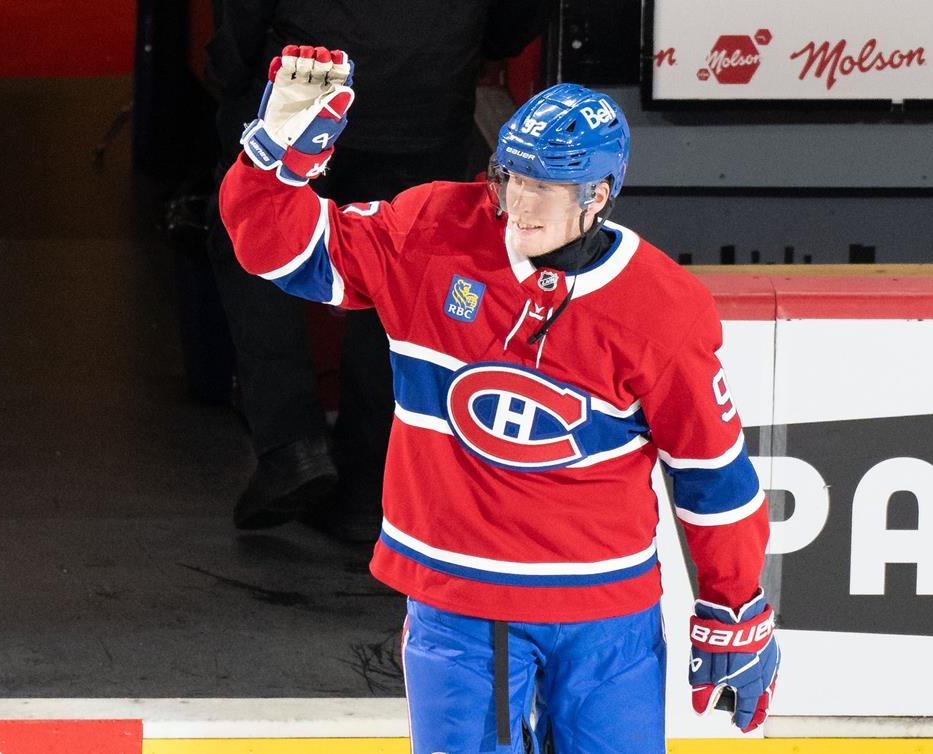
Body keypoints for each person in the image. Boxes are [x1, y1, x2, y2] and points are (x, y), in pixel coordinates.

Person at [219, 47, 780, 753]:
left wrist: (734, 602)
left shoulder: (662, 307)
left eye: (545, 186)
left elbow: (712, 474)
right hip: (461, 607)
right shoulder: (430, 235)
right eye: (509, 177)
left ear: (599, 194)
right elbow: (278, 251)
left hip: (605, 614)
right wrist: (276, 162)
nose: (518, 201)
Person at [204, 1, 547, 541]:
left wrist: (227, 77)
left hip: (311, 84)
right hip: (429, 97)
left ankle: (291, 445)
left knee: (243, 225)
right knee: (401, 270)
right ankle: (368, 486)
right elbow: (514, 25)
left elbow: (242, 19)